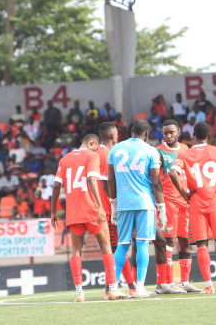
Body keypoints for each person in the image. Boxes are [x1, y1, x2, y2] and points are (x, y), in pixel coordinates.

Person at [169, 121, 216, 293]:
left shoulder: (184, 155)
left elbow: (173, 172)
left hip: (196, 200)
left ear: (193, 135)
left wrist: (183, 193)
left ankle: (209, 285)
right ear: (209, 135)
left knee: (202, 244)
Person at [51, 134, 126, 302]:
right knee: (106, 246)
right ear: (92, 143)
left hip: (73, 211)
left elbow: (56, 186)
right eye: (95, 147)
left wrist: (53, 212)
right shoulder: (92, 155)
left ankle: (79, 293)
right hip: (91, 208)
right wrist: (100, 206)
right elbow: (92, 179)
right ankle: (113, 289)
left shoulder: (64, 159)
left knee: (76, 251)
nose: (95, 150)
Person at [107, 120, 166, 298]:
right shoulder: (151, 151)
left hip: (124, 203)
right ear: (146, 133)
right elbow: (156, 182)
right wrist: (162, 208)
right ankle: (139, 288)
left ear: (131, 130)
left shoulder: (115, 149)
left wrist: (114, 205)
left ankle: (112, 287)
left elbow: (110, 180)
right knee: (141, 244)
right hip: (144, 203)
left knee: (122, 246)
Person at [155, 120, 201, 293]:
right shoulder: (158, 152)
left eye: (171, 132)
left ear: (178, 132)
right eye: (165, 133)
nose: (168, 136)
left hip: (184, 201)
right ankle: (166, 283)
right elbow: (155, 179)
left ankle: (185, 282)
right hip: (168, 201)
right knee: (170, 241)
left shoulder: (185, 150)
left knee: (185, 241)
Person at [97, 122, 137, 298]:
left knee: (114, 249)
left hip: (97, 209)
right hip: (109, 210)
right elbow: (107, 183)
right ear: (113, 136)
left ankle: (130, 287)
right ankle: (112, 289)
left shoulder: (93, 153)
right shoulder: (108, 154)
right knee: (118, 248)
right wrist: (115, 205)